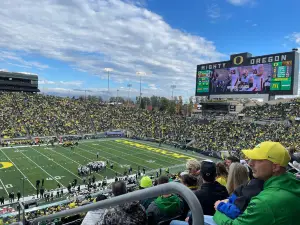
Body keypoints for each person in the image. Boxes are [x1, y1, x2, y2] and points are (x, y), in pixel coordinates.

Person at [213, 141, 300, 225]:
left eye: (258, 159)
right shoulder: (293, 183)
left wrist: (218, 211)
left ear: (275, 167)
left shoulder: (265, 201)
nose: (250, 163)